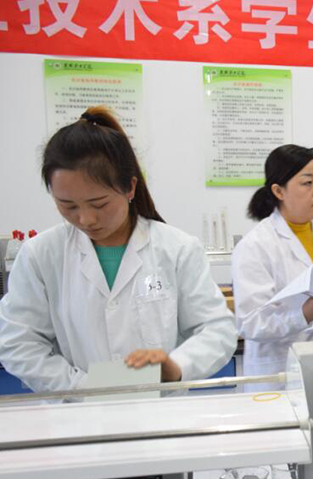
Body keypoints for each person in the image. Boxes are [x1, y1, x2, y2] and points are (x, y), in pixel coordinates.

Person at [0, 107, 237, 393]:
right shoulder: (41, 256)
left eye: (99, 204)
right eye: (68, 205)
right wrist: (82, 387)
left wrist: (175, 367)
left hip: (162, 411)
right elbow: (19, 343)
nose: (86, 219)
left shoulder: (177, 249)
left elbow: (217, 330)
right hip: (74, 412)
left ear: (130, 188)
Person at [231, 145, 313, 388]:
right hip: (278, 377)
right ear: (278, 191)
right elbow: (250, 323)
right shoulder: (255, 246)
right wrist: (303, 315)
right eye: (307, 183)